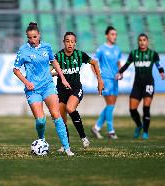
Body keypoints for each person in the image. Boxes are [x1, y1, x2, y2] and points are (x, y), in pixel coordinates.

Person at [13, 22, 74, 156]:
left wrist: (63, 78)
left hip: (48, 86)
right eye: (29, 38)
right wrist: (26, 82)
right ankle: (41, 140)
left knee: (56, 115)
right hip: (33, 89)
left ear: (39, 35)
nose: (32, 40)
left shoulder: (47, 47)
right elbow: (16, 70)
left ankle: (67, 148)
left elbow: (54, 62)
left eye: (35, 37)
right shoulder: (23, 50)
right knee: (40, 120)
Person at [52, 32, 104, 151]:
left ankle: (84, 138)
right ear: (64, 42)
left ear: (75, 43)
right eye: (67, 41)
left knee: (70, 108)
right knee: (62, 119)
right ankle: (65, 145)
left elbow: (94, 62)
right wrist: (57, 73)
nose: (70, 43)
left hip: (76, 88)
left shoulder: (80, 55)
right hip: (61, 90)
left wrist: (99, 80)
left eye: (72, 41)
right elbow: (49, 70)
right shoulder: (58, 56)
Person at [115, 33, 165, 139]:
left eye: (144, 40)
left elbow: (158, 65)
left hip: (148, 83)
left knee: (146, 108)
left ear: (147, 42)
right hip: (137, 84)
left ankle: (145, 132)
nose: (142, 42)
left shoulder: (153, 54)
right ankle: (139, 125)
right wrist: (120, 72)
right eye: (140, 40)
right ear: (138, 42)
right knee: (132, 109)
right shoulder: (134, 53)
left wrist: (161, 72)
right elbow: (127, 65)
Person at [91, 26, 122, 139]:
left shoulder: (117, 49)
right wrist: (99, 78)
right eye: (112, 34)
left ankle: (96, 127)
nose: (114, 36)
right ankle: (111, 131)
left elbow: (119, 64)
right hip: (106, 80)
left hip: (115, 81)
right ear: (107, 35)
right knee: (110, 105)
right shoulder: (101, 49)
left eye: (115, 34)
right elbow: (93, 63)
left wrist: (121, 73)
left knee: (111, 106)